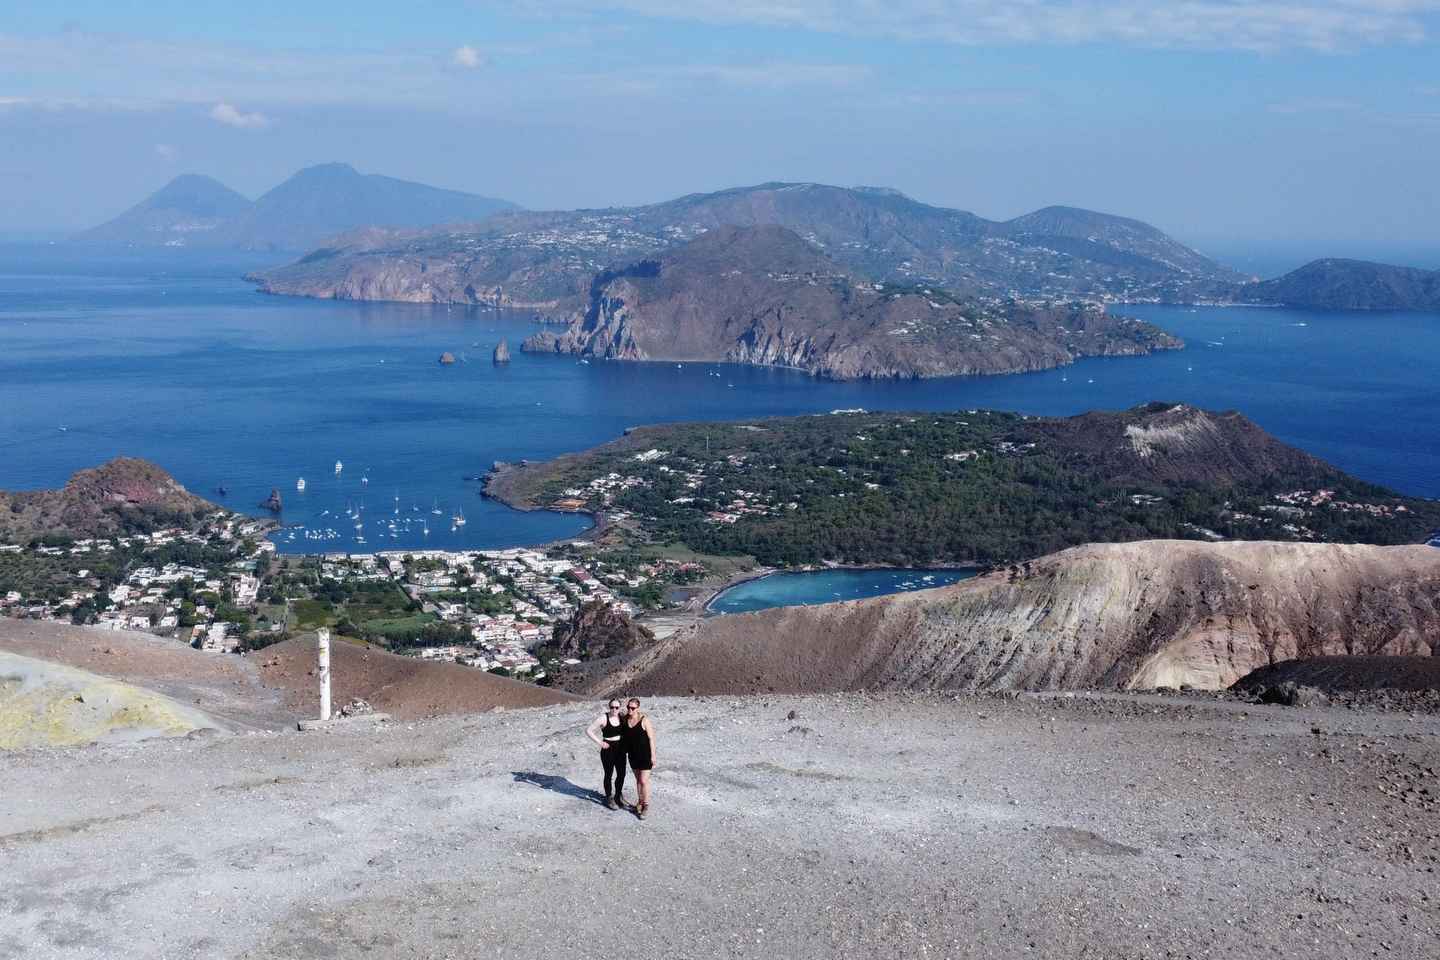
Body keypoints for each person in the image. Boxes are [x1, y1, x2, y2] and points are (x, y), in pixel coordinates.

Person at [585, 698, 628, 810]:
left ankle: (618, 795)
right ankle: (609, 797)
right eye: (612, 707)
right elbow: (589, 730)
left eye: (617, 707)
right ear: (609, 707)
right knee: (608, 774)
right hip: (608, 748)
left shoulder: (621, 717)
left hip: (620, 748)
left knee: (621, 773)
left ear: (620, 708)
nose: (614, 709)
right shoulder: (603, 718)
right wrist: (600, 742)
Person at [623, 697, 657, 819]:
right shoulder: (625, 719)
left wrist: (653, 755)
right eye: (628, 707)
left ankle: (646, 805)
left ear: (638, 708)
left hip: (645, 755)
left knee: (643, 780)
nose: (630, 710)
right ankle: (640, 802)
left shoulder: (644, 720)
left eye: (633, 708)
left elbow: (651, 738)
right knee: (638, 780)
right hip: (632, 755)